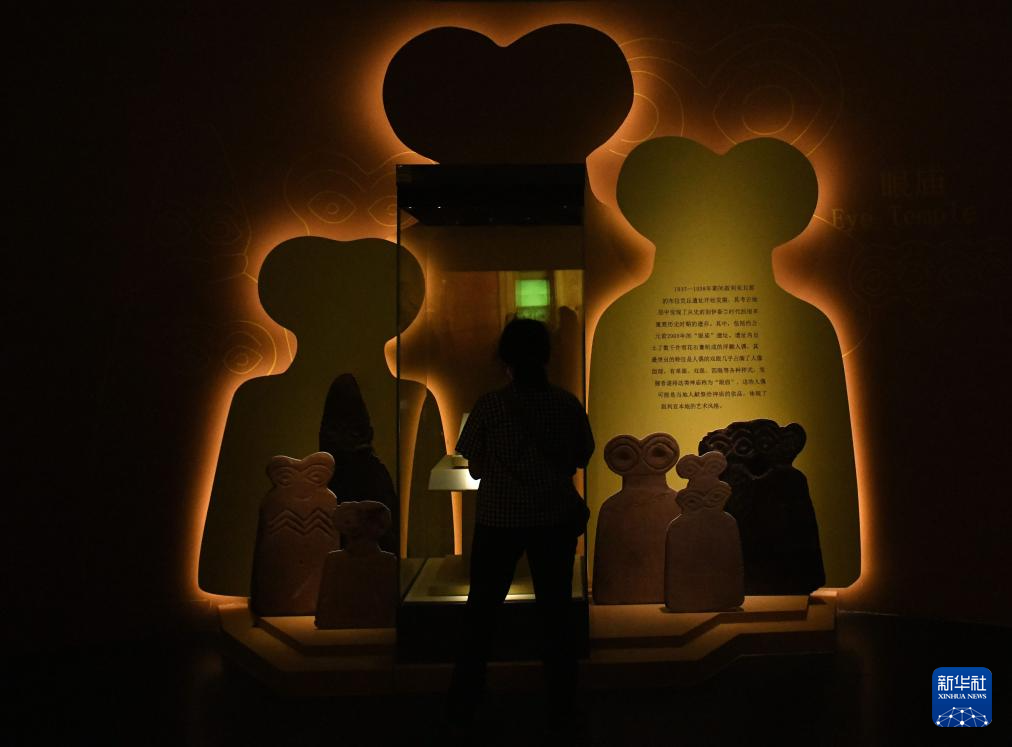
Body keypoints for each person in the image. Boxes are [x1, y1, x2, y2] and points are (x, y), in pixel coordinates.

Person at [446, 317, 595, 731]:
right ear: (546, 356)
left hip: (499, 520)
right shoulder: (566, 404)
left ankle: (464, 705)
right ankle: (562, 708)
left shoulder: (490, 406)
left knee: (481, 612)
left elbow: (473, 464)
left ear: (505, 357)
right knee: (556, 615)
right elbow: (582, 455)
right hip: (553, 520)